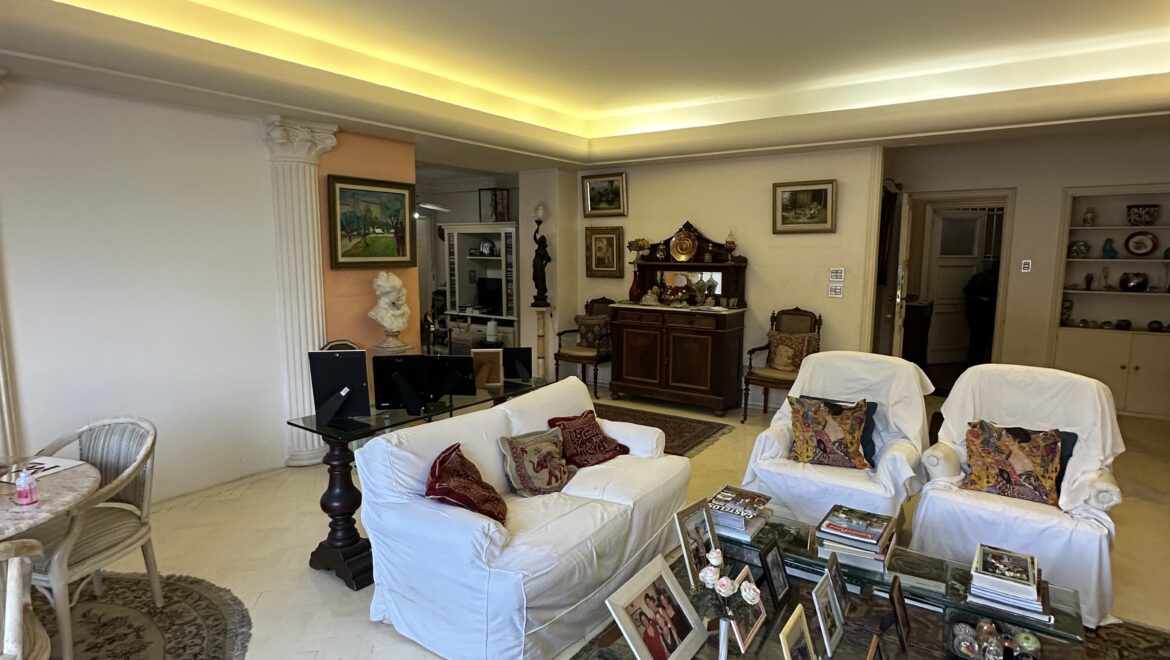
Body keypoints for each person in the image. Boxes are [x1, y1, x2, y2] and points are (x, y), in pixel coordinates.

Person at [963, 261, 999, 365]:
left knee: (975, 338)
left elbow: (966, 290)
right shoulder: (998, 279)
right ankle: (980, 363)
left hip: (972, 308)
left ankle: (972, 362)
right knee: (984, 339)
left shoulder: (978, 276)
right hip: (986, 311)